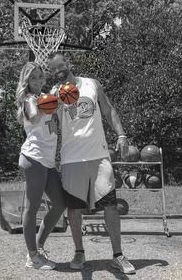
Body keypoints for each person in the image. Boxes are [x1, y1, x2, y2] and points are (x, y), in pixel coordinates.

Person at [48, 53, 136, 275]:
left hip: (99, 156)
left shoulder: (91, 84)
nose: (57, 71)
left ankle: (118, 255)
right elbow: (47, 126)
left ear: (68, 63)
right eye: (52, 70)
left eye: (59, 66)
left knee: (110, 205)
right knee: (74, 208)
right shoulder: (53, 94)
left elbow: (108, 110)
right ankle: (79, 252)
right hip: (71, 158)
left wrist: (122, 135)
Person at [16, 61, 66, 271]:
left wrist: (60, 99)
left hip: (46, 160)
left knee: (60, 203)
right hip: (33, 158)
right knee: (32, 207)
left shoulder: (46, 98)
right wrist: (51, 99)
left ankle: (38, 246)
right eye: (33, 78)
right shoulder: (29, 99)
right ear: (26, 82)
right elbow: (35, 115)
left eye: (40, 77)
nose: (38, 81)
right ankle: (33, 257)